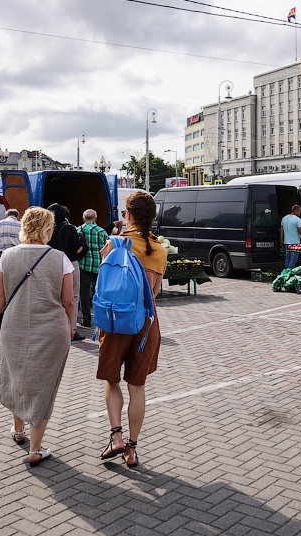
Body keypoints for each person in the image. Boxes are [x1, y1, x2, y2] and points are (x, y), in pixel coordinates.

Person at [0, 207, 74, 468]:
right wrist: (70, 327)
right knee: (44, 385)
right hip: (53, 330)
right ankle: (35, 449)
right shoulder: (60, 259)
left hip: (14, 326)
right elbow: (68, 300)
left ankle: (19, 430)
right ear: (47, 229)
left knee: (18, 376)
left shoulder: (6, 257)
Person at [97, 191, 167, 469]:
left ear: (128, 214)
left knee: (111, 380)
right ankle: (132, 450)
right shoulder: (159, 249)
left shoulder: (115, 242)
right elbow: (156, 292)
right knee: (137, 387)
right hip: (147, 324)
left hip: (116, 321)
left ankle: (116, 436)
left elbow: (103, 281)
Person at [48, 203, 83, 338]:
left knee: (55, 296)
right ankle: (71, 329)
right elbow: (78, 248)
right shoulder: (70, 229)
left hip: (52, 264)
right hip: (70, 264)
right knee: (73, 297)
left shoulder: (48, 230)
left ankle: (56, 327)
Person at [77, 209, 109, 328]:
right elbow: (107, 249)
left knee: (84, 293)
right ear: (95, 219)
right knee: (100, 291)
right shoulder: (102, 231)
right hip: (99, 265)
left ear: (83, 218)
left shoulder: (78, 230)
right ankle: (101, 319)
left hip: (83, 265)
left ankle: (86, 320)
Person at [280, 204, 301, 269]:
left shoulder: (284, 218)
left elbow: (282, 230)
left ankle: (285, 271)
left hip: (287, 242)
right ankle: (289, 271)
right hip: (295, 243)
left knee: (288, 258)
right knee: (293, 258)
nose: (300, 213)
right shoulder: (297, 219)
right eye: (299, 211)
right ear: (295, 211)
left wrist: (282, 240)